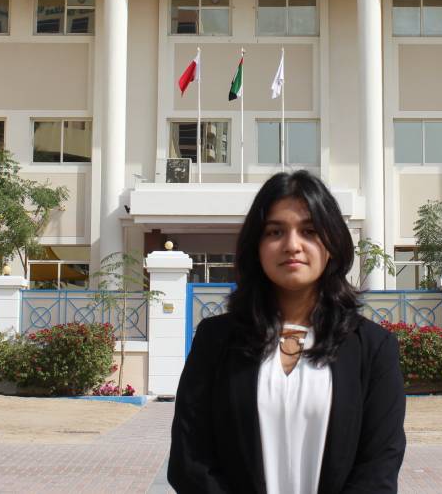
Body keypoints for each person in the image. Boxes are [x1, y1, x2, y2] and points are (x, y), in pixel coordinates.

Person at [168, 170, 407, 494]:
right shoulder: (216, 340)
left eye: (309, 231)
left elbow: (379, 468)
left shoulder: (373, 348)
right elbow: (189, 461)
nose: (292, 245)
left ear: (332, 243)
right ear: (257, 246)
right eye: (275, 231)